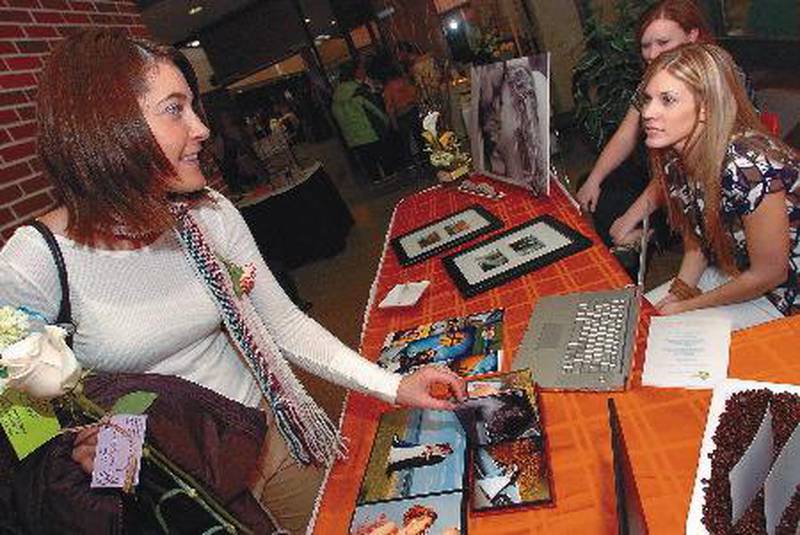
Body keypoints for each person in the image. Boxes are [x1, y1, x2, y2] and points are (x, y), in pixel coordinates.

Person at [0, 29, 465, 534]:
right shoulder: (35, 260)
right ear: (109, 126)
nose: (201, 128)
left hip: (266, 431)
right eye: (175, 109)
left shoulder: (209, 214)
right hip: (165, 480)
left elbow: (282, 322)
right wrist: (73, 452)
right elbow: (12, 407)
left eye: (193, 106)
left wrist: (393, 387)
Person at [639, 44, 800, 320]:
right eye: (647, 99)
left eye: (667, 100)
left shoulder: (746, 168)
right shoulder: (672, 157)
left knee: (675, 347)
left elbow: (771, 273)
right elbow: (698, 239)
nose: (647, 113)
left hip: (785, 293)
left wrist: (687, 306)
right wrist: (680, 291)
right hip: (739, 269)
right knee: (645, 321)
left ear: (706, 108)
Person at [576, 0, 715, 255]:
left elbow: (682, 167)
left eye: (663, 43)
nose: (652, 53)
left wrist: (629, 218)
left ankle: (643, 245)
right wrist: (595, 179)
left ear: (692, 36)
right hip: (666, 173)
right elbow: (626, 134)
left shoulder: (711, 78)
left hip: (704, 182)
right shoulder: (653, 77)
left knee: (620, 220)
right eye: (646, 45)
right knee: (595, 186)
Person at [331, 61, 393, 183]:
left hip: (353, 138)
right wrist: (386, 121)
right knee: (383, 159)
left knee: (368, 164)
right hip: (369, 133)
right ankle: (389, 176)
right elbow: (374, 110)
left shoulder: (335, 97)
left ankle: (376, 180)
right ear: (354, 73)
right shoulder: (359, 90)